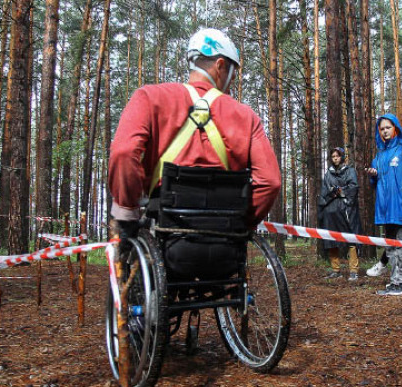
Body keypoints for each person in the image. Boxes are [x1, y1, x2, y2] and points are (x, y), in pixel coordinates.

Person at [109, 28, 282, 240]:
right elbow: (270, 182)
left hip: (166, 227)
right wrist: (242, 221)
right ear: (220, 65)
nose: (232, 81)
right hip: (224, 235)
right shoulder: (246, 116)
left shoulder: (149, 97)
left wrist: (127, 210)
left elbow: (124, 153)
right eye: (232, 73)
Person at [365, 113, 402, 296]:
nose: (385, 131)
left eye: (388, 127)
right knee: (392, 248)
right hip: (386, 210)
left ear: (395, 127)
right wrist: (373, 175)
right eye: (381, 129)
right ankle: (395, 281)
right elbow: (375, 184)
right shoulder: (379, 156)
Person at [318, 147, 361, 281]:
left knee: (351, 238)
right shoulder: (328, 174)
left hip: (347, 210)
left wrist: (341, 192)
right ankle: (336, 269)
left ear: (342, 157)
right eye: (333, 156)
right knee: (331, 239)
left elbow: (353, 187)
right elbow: (324, 192)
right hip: (331, 211)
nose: (335, 158)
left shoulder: (350, 171)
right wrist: (332, 193)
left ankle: (353, 270)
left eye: (337, 156)